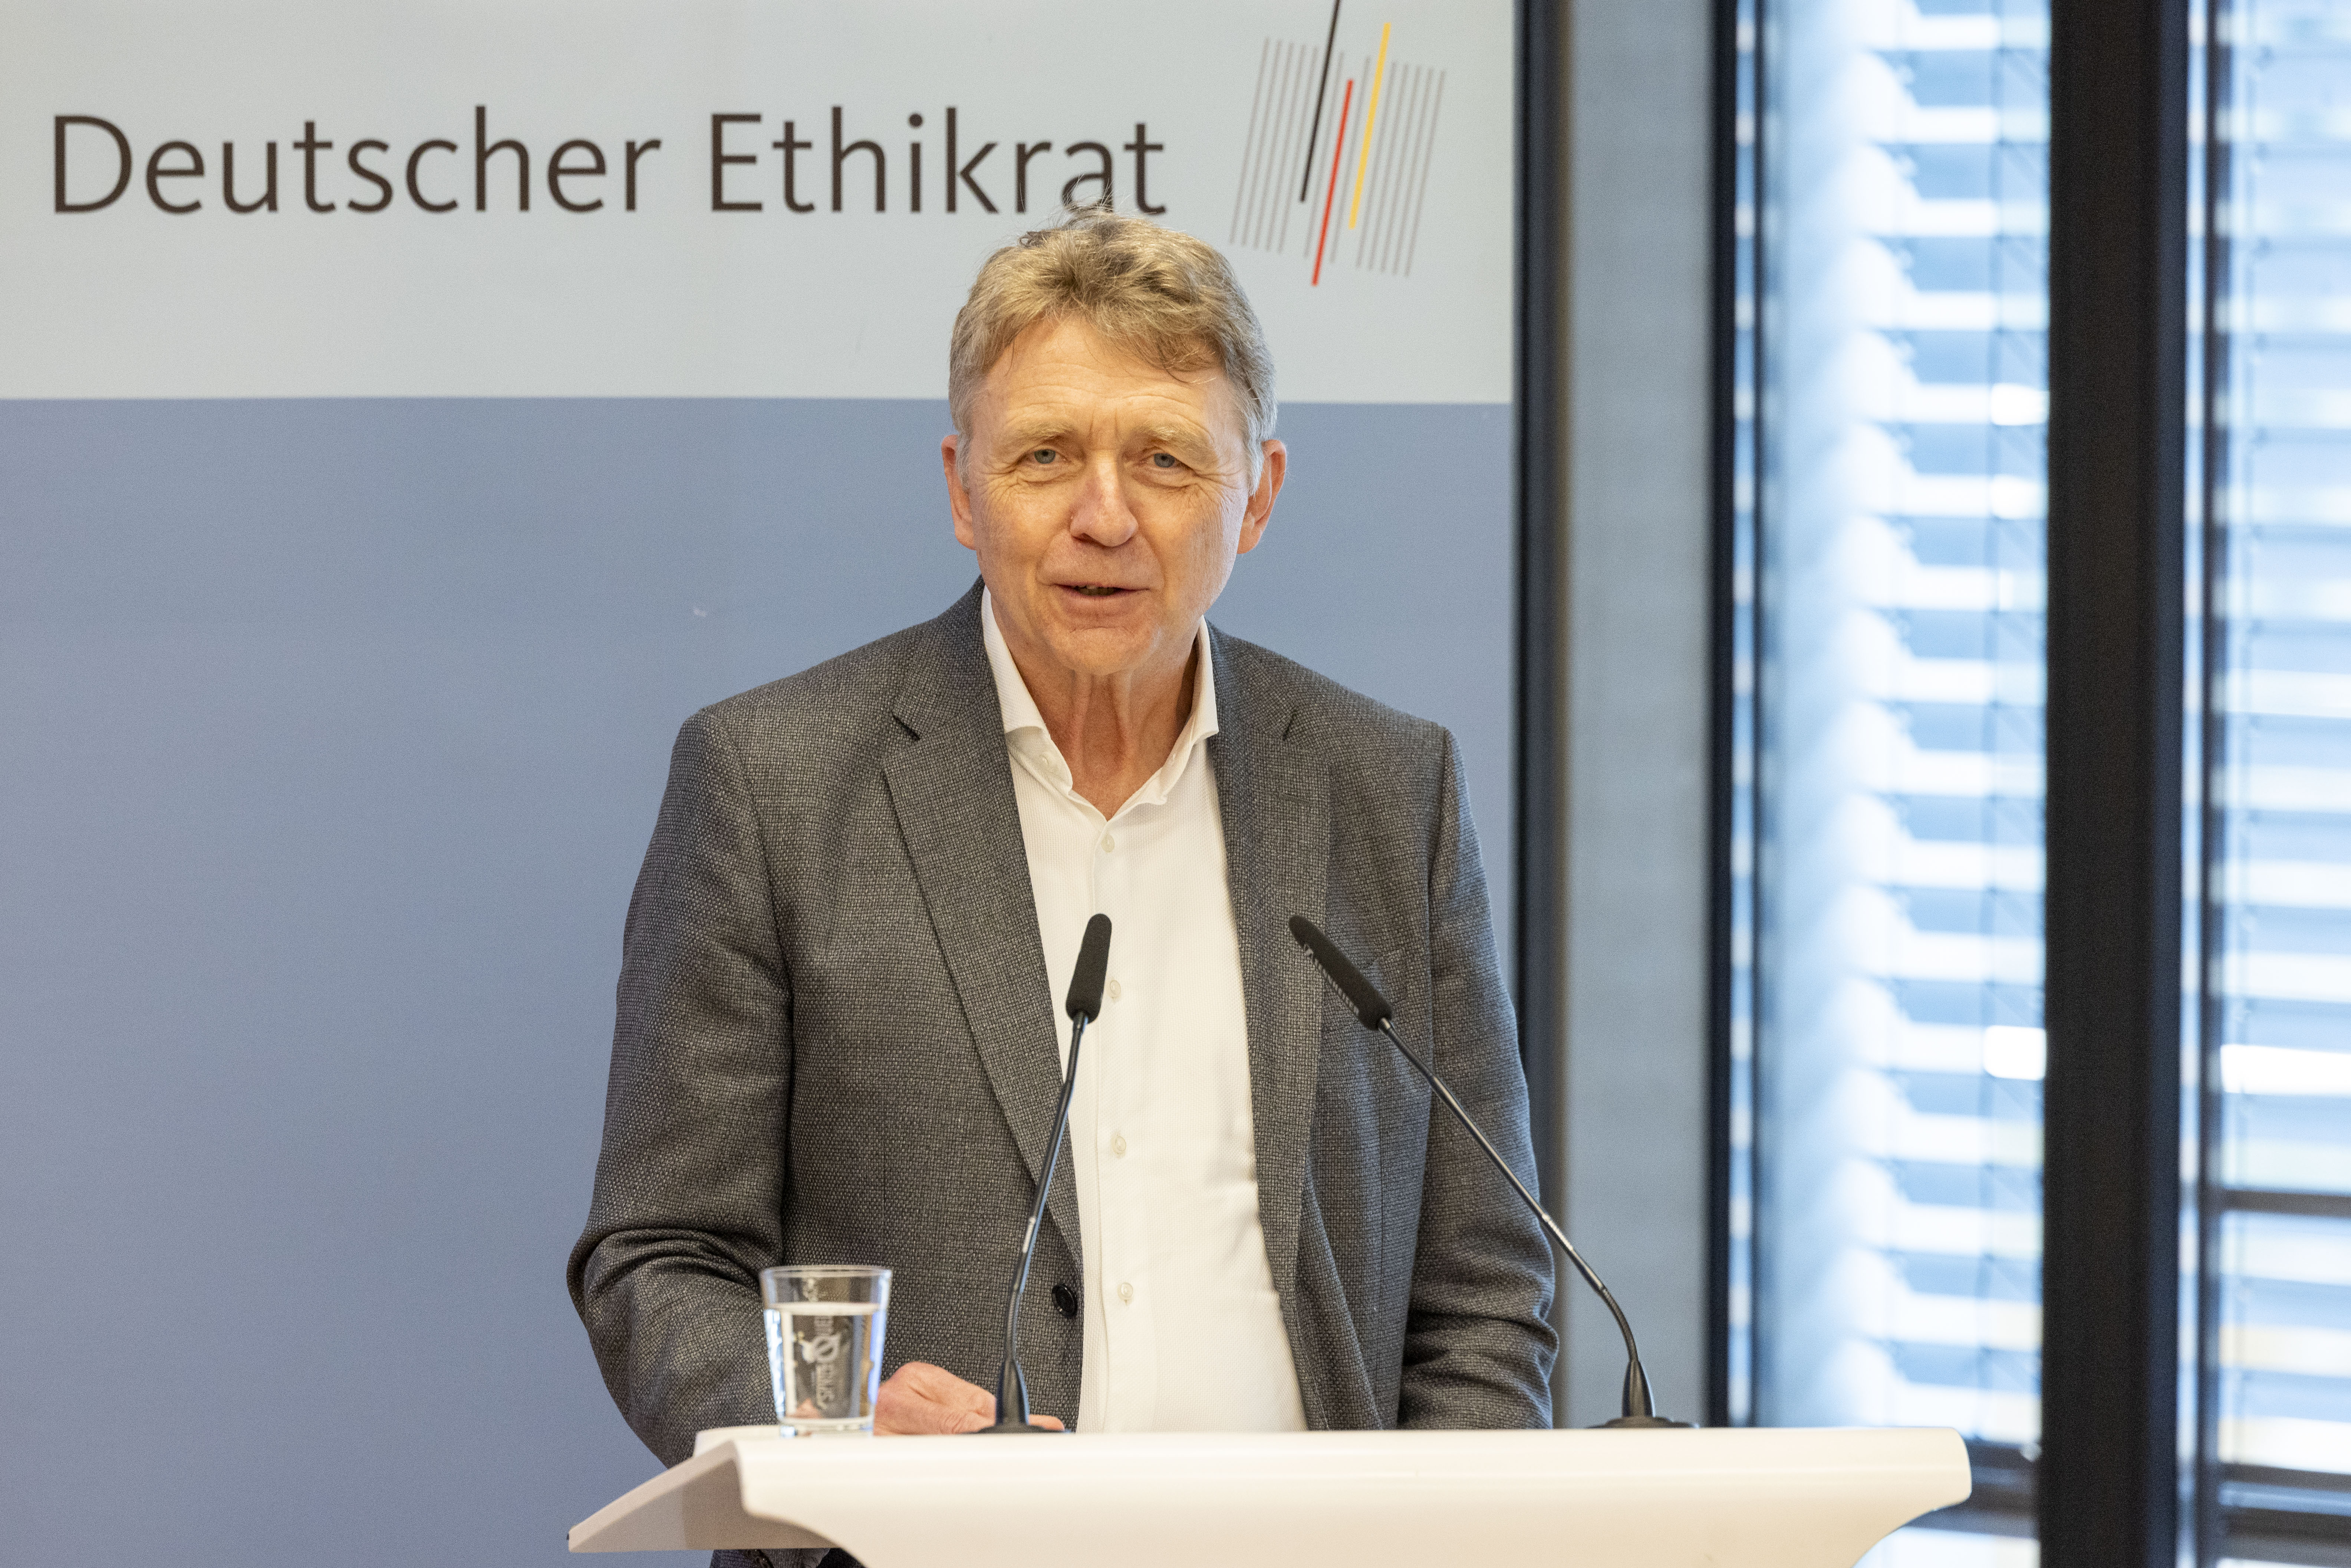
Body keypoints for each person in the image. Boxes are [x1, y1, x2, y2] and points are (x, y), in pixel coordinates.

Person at [567, 208, 1556, 1568]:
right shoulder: (773, 783)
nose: (1103, 515)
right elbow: (660, 1255)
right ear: (962, 489)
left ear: (1257, 495)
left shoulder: (1388, 789)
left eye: (1164, 459)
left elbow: (1483, 1283)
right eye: (1044, 455)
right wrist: (831, 1432)